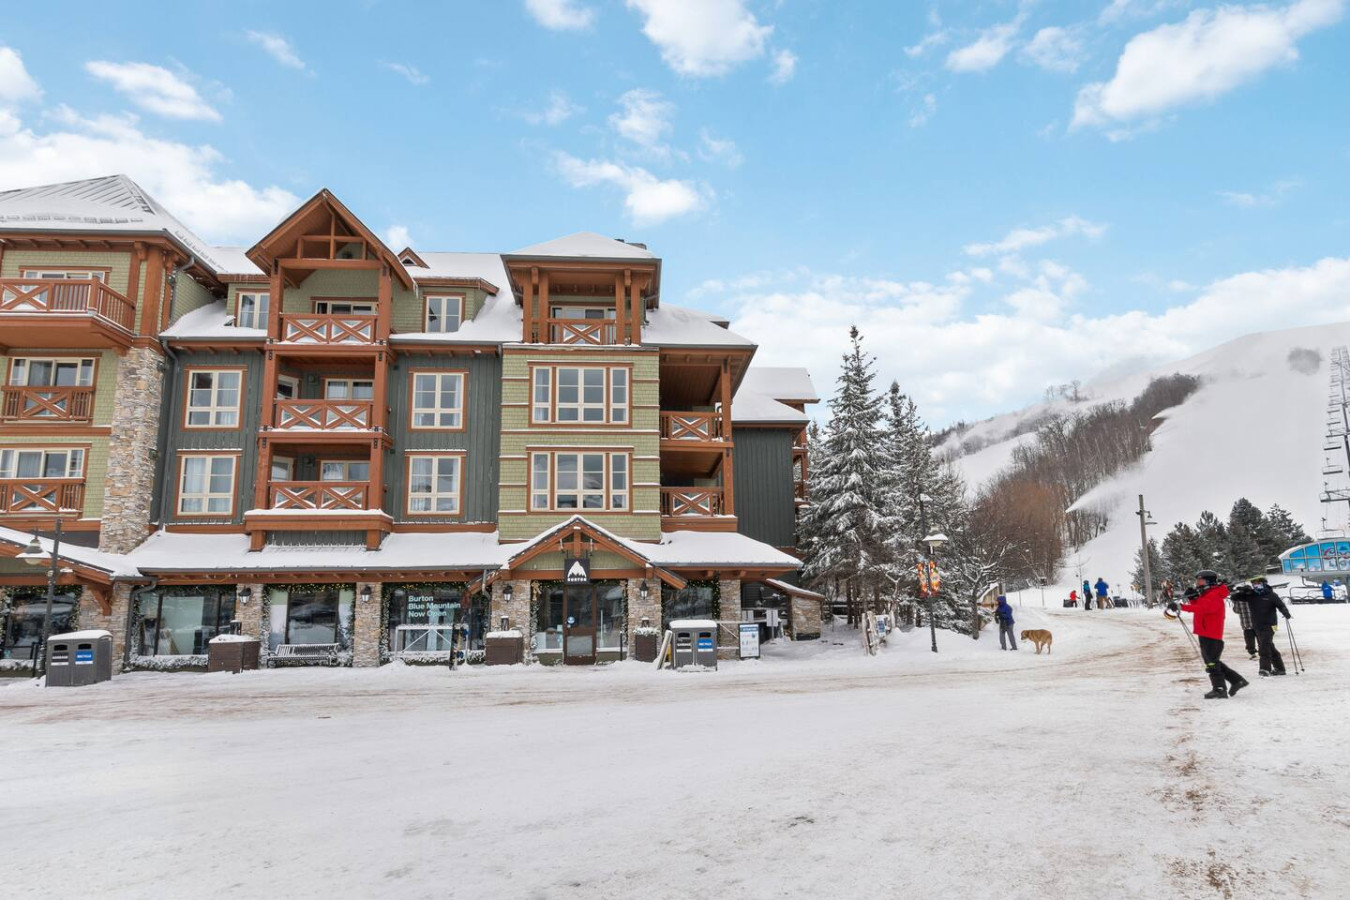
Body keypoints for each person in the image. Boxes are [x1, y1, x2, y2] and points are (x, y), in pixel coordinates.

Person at [1173, 570, 1249, 700]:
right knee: (1213, 661)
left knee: (1211, 663)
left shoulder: (1214, 595)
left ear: (1208, 581)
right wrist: (1192, 599)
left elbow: (1204, 608)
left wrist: (1181, 606)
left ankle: (1219, 689)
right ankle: (1237, 681)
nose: (1197, 582)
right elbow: (1200, 606)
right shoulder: (1207, 594)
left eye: (1200, 580)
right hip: (1205, 632)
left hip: (1211, 634)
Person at [1247, 576, 1291, 676]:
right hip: (1257, 625)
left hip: (1270, 625)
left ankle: (1265, 669)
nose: (1256, 586)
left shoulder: (1271, 595)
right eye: (1254, 584)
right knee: (1269, 646)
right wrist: (1243, 591)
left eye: (1258, 583)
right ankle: (1280, 668)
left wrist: (1285, 613)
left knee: (1263, 647)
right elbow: (1235, 597)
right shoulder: (1251, 595)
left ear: (1264, 583)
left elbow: (1281, 605)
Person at [1228, 583, 1259, 660]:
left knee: (1249, 640)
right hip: (1257, 623)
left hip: (1246, 624)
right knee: (1260, 639)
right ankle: (1263, 652)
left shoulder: (1239, 600)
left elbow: (1236, 610)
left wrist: (1235, 602)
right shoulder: (1255, 598)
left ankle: (1252, 653)